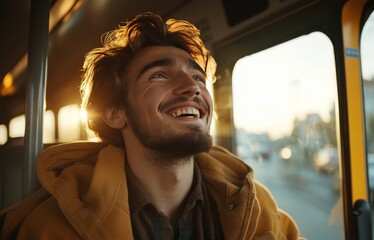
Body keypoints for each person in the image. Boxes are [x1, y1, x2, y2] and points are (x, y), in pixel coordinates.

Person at [0, 12, 302, 240]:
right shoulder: (50, 227)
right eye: (159, 75)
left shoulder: (256, 207)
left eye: (198, 78)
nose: (192, 87)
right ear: (116, 114)